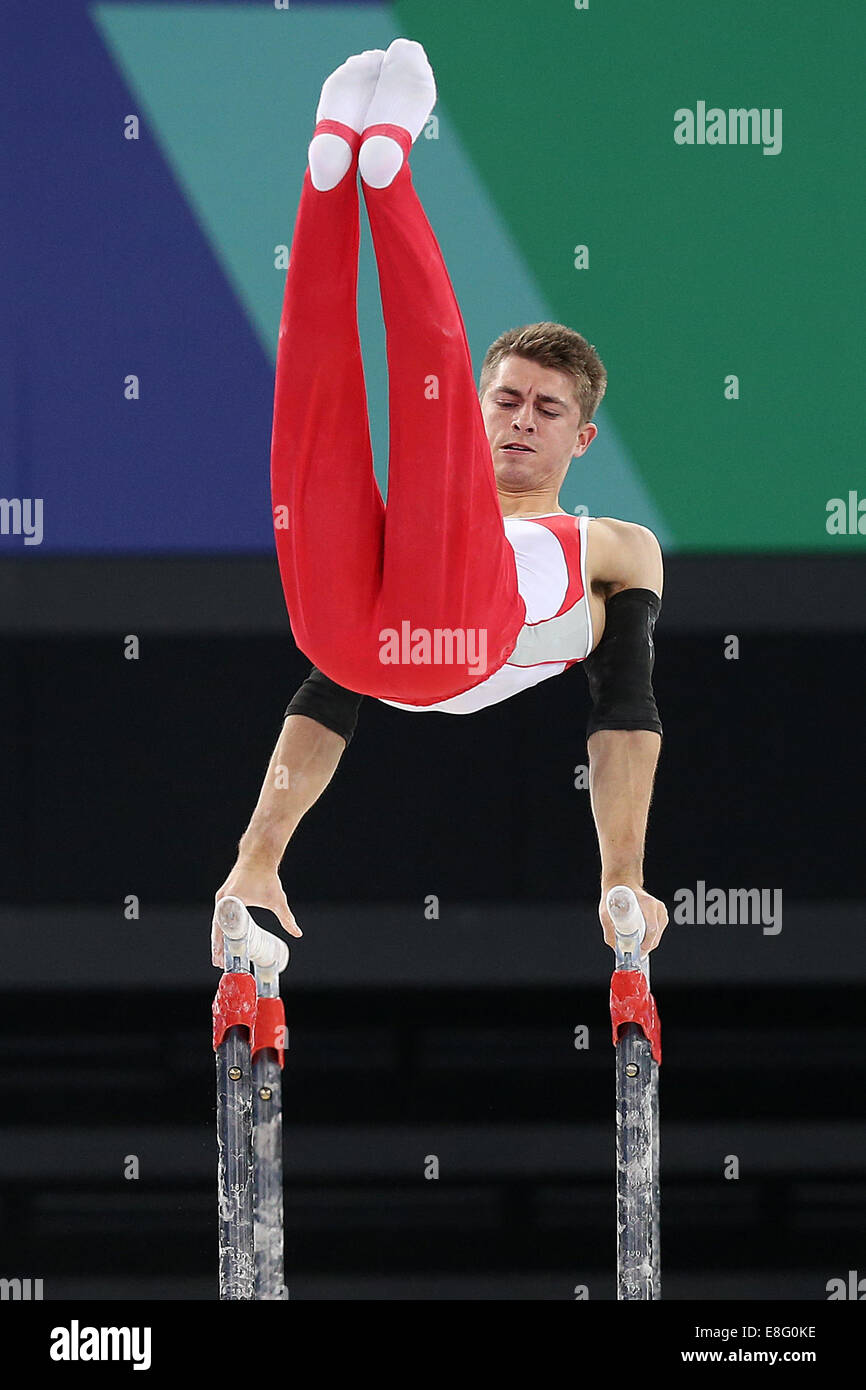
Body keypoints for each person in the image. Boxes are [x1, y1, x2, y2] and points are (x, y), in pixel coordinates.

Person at [213, 40, 668, 966]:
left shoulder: (615, 546)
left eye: (548, 409)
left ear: (582, 439)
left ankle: (384, 175)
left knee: (409, 440)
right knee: (313, 412)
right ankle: (341, 165)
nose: (519, 421)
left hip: (462, 638)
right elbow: (325, 695)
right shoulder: (446, 466)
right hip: (352, 642)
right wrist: (257, 856)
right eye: (503, 398)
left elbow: (623, 709)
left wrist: (621, 872)